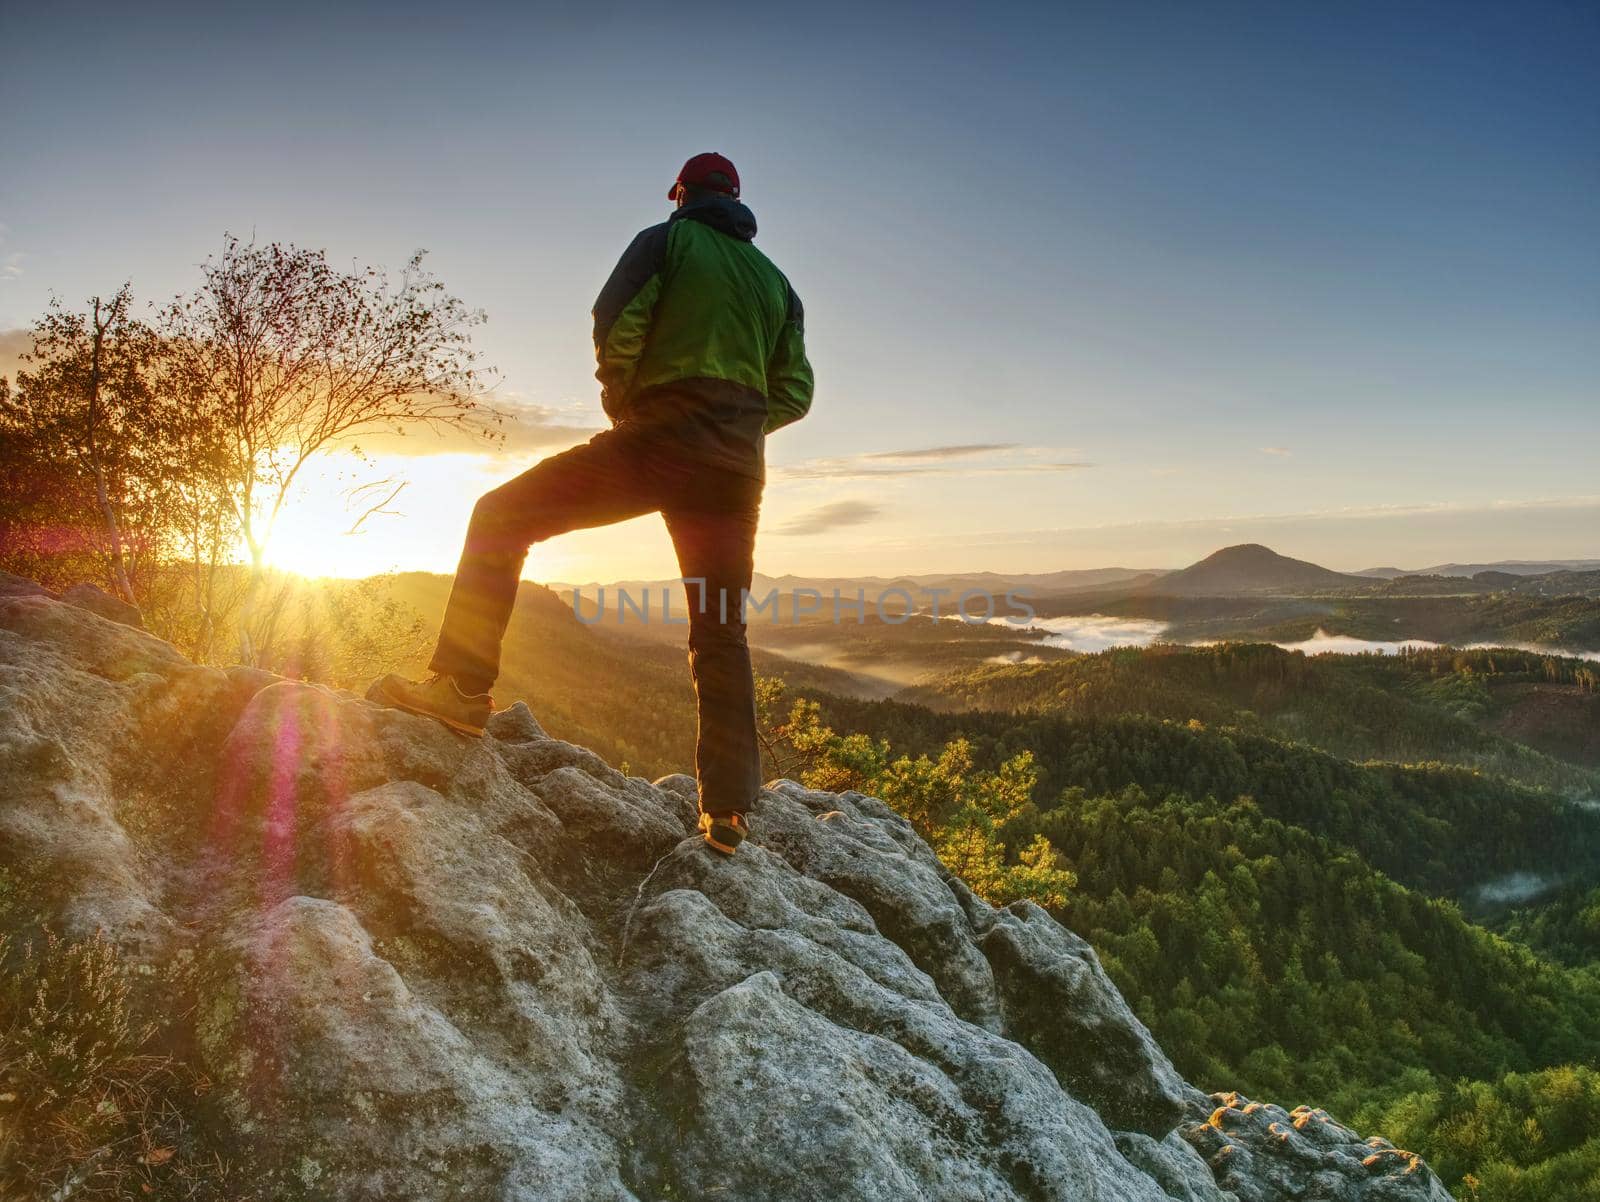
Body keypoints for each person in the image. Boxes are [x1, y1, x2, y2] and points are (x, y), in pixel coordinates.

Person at [375, 152, 813, 855]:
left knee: (500, 517)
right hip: (735, 473)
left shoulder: (666, 240)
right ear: (738, 203)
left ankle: (461, 690)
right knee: (720, 630)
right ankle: (729, 809)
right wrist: (739, 424)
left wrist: (626, 402)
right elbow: (795, 391)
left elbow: (614, 321)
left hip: (661, 438)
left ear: (681, 194)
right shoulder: (778, 286)